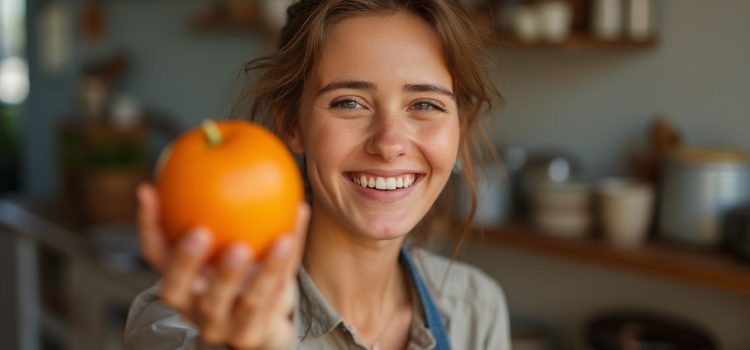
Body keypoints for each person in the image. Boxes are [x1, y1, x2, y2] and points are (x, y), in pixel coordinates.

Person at [125, 1, 510, 349]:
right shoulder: (183, 321)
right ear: (292, 124)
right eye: (349, 103)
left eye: (425, 104)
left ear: (458, 126)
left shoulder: (475, 309)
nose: (389, 143)